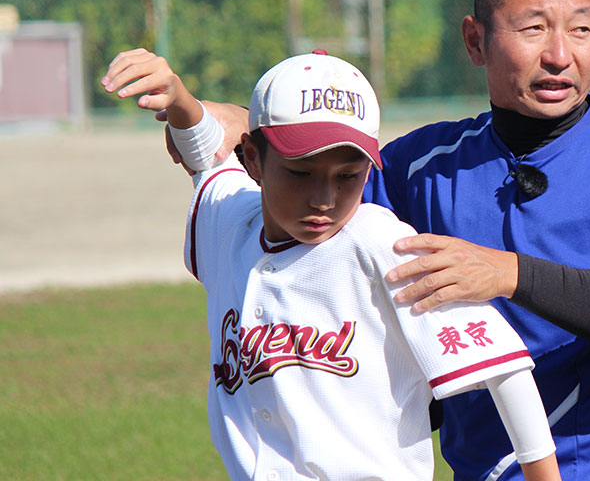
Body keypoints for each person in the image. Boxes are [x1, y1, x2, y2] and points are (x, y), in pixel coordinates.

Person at [172, 0, 590, 480]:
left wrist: (506, 274)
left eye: (581, 28)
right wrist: (244, 123)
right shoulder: (420, 165)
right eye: (533, 28)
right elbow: (317, 183)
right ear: (475, 41)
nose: (560, 54)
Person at [100, 48, 562, 481]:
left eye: (348, 176)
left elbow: (505, 369)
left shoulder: (382, 244)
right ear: (253, 160)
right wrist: (179, 98)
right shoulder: (230, 220)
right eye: (300, 172)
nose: (324, 198)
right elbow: (205, 158)